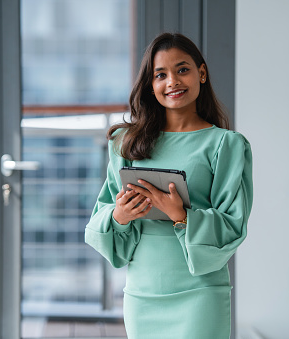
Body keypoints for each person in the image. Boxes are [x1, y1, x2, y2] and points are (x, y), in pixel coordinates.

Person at [85, 32, 253, 339]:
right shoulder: (126, 143)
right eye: (160, 75)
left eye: (182, 69)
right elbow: (103, 214)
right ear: (150, 85)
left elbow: (233, 224)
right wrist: (119, 216)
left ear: (201, 73)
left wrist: (182, 216)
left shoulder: (226, 145)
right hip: (143, 293)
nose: (172, 81)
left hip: (200, 293)